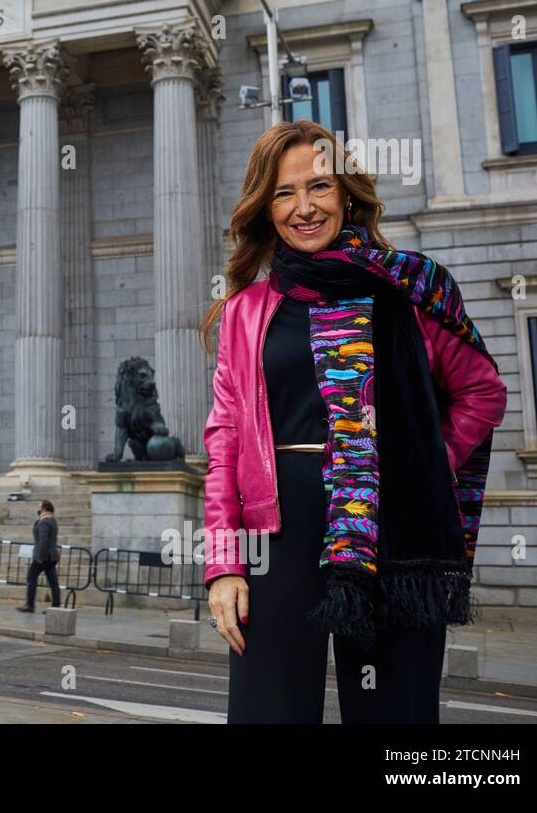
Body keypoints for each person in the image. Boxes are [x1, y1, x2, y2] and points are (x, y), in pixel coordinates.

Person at [199, 120, 506, 724]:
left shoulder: (413, 290)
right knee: (270, 712)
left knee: (397, 718)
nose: (304, 207)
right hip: (276, 534)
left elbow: (482, 394)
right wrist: (223, 566)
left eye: (319, 186)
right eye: (285, 193)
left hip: (392, 527)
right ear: (265, 208)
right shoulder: (246, 311)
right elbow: (225, 439)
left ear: (347, 194)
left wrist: (417, 463)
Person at [16, 500, 62, 612]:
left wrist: (40, 557)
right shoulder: (52, 520)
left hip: (44, 556)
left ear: (44, 508)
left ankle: (30, 604)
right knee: (53, 580)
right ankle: (56, 604)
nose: (38, 508)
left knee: (31, 577)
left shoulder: (44, 521)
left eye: (39, 506)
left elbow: (43, 540)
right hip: (52, 556)